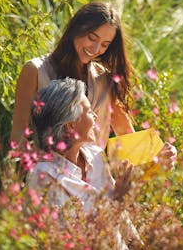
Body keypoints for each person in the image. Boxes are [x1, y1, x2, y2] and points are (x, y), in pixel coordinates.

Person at [28, 78, 139, 248]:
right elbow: (76, 240)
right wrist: (119, 199)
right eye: (88, 112)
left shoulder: (95, 155)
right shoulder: (44, 176)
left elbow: (124, 222)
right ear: (71, 125)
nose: (95, 116)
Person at [11, 1, 135, 148]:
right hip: (53, 169)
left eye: (104, 45)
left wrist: (159, 157)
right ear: (77, 29)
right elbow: (18, 134)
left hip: (96, 170)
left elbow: (128, 137)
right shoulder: (36, 70)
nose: (96, 49)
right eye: (92, 38)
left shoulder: (105, 79)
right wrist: (43, 167)